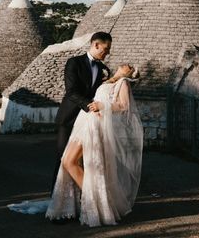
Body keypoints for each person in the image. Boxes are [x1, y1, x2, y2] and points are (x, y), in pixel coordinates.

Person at [46, 63, 143, 227]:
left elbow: (124, 106)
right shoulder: (107, 81)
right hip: (84, 122)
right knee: (66, 161)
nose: (127, 64)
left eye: (131, 67)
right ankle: (84, 201)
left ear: (130, 74)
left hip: (96, 126)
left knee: (70, 162)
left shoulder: (123, 83)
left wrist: (102, 106)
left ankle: (94, 201)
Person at [51, 31, 113, 191]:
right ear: (96, 44)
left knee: (85, 161)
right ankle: (56, 200)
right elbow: (71, 91)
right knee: (64, 160)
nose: (107, 53)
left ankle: (79, 201)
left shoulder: (102, 68)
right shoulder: (74, 63)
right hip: (69, 119)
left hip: (88, 122)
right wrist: (90, 104)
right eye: (105, 49)